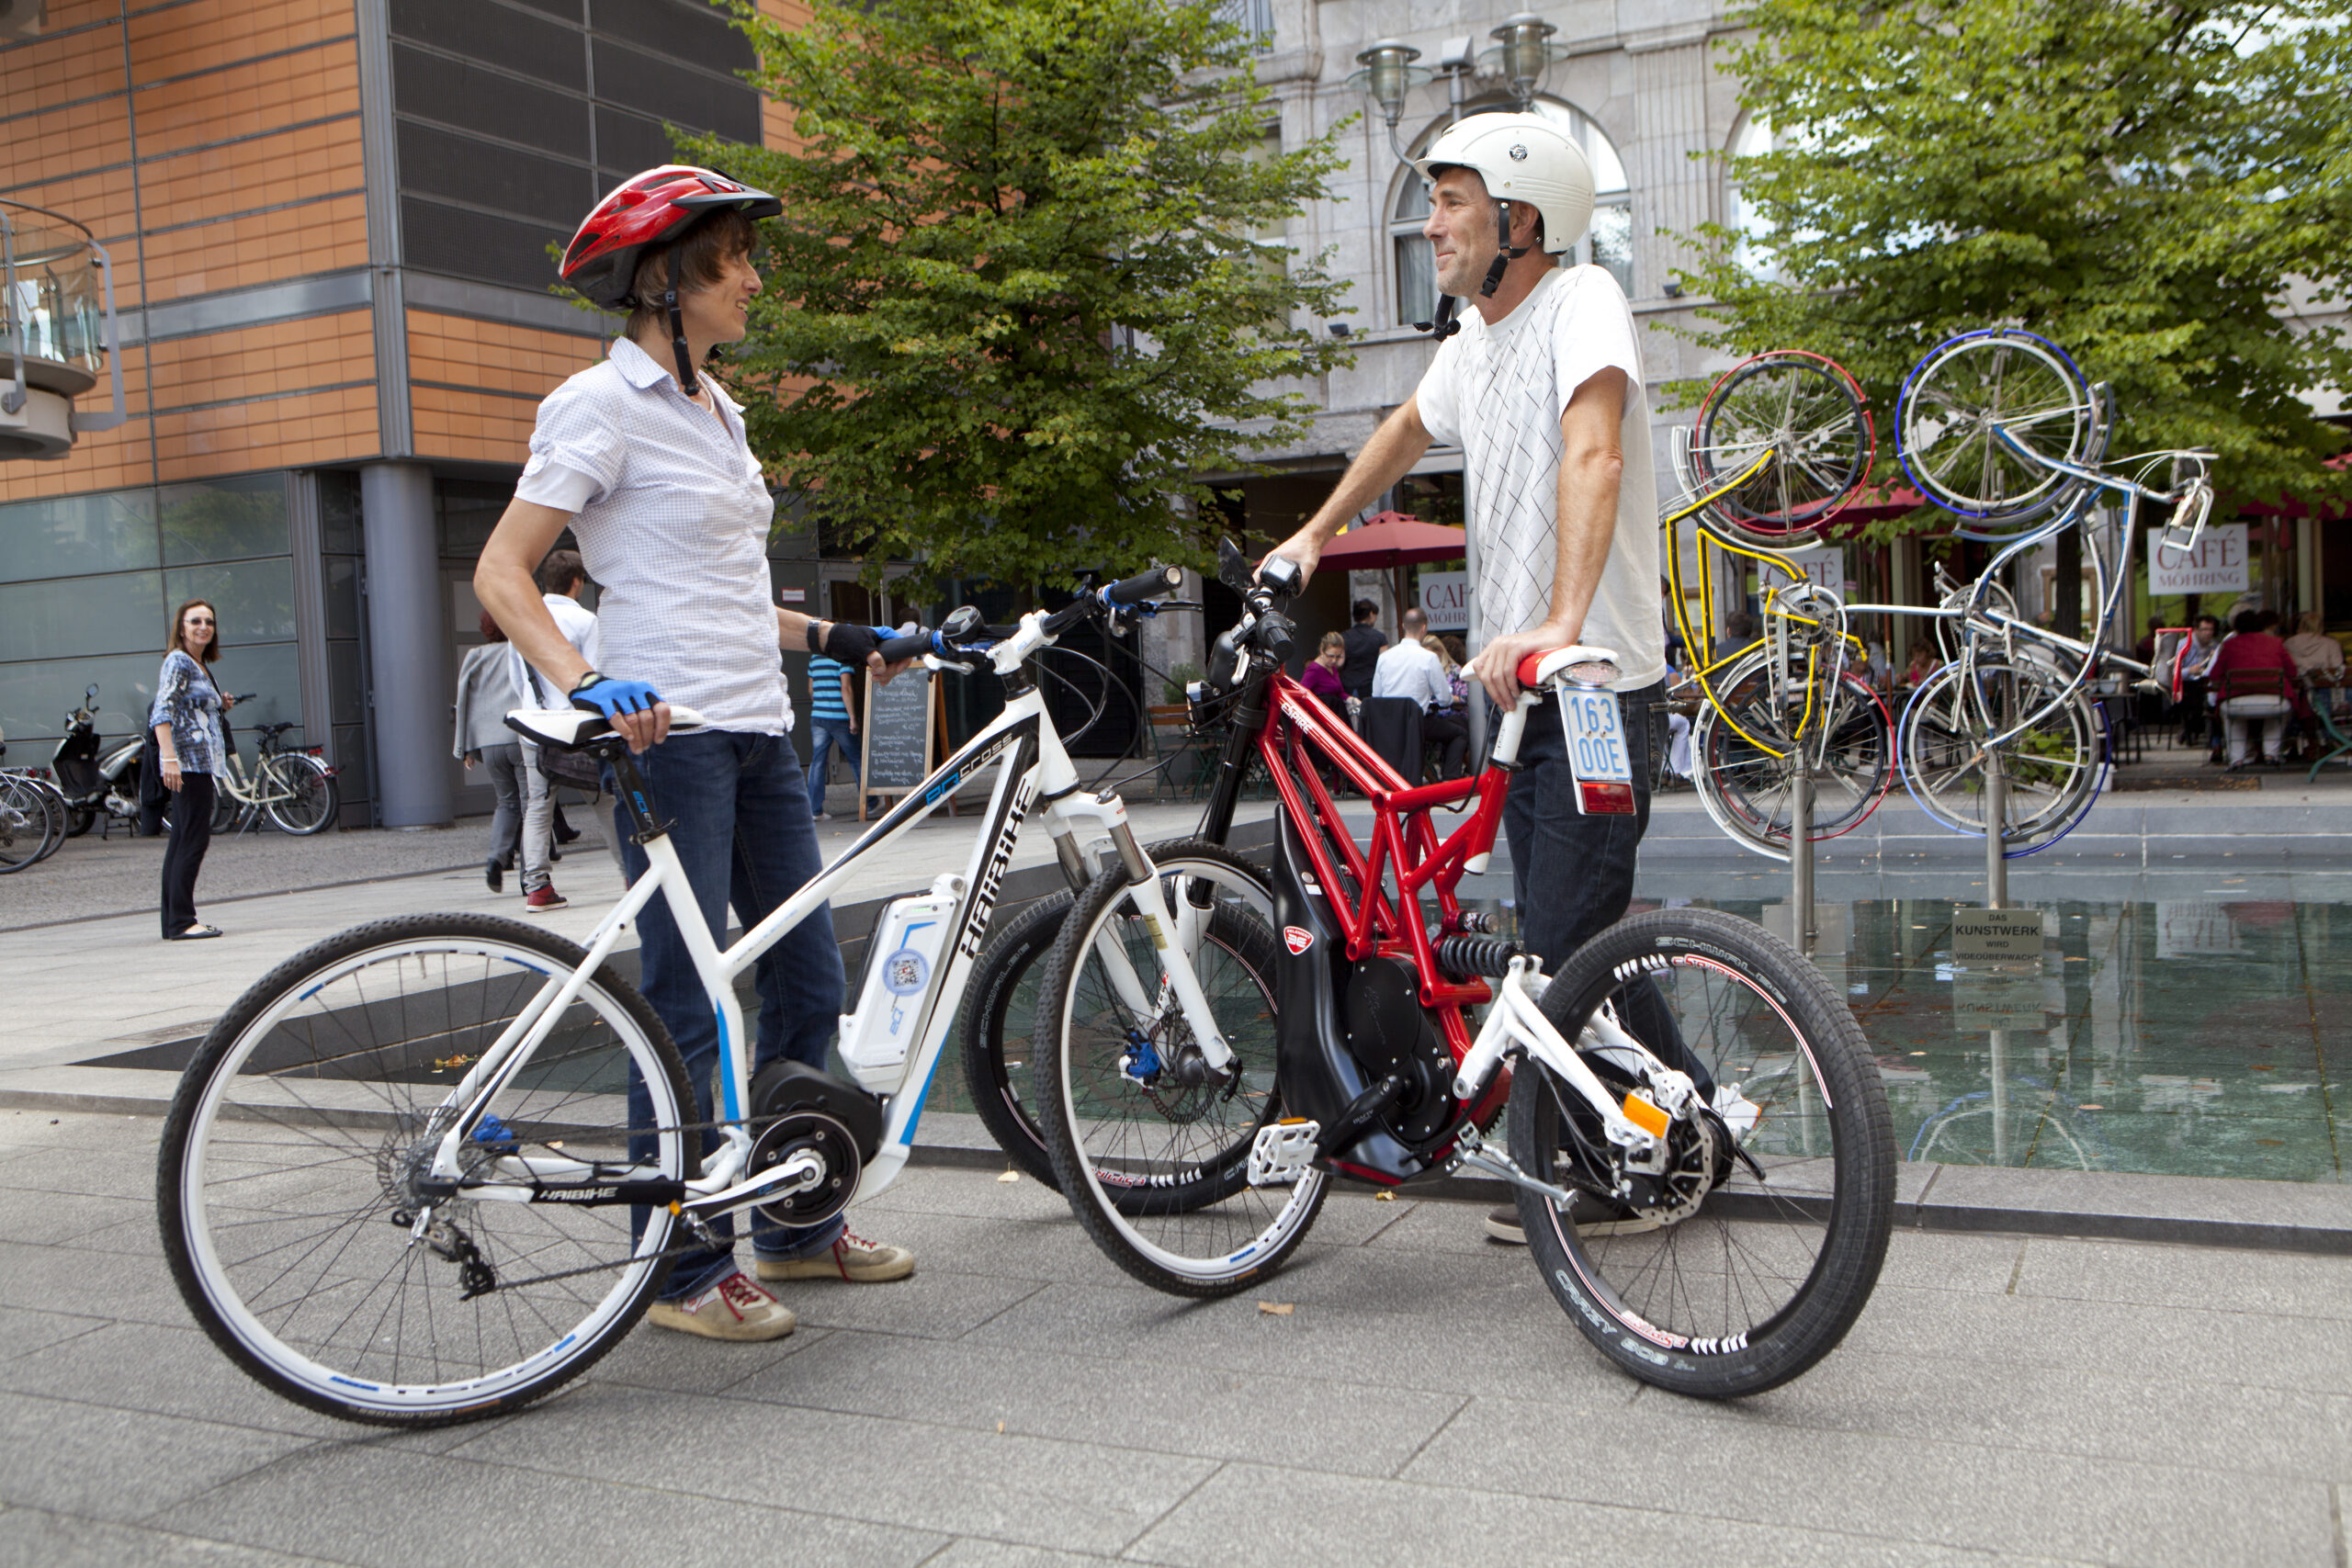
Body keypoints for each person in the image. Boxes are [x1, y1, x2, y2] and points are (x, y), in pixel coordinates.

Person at [1259, 111, 1732, 1246]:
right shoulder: (1474, 342)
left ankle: (1633, 1167)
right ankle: (1688, 1124)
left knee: (1568, 942)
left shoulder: (1583, 303)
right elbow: (1404, 429)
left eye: (1452, 202)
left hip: (1593, 690)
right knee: (1566, 935)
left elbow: (1596, 451)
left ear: (1521, 219)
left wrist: (1560, 623)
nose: (1432, 223)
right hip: (1510, 701)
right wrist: (1317, 533)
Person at [477, 164, 916, 1345]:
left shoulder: (721, 410)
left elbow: (719, 589)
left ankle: (797, 1221)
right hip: (667, 740)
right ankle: (677, 1267)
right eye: (736, 265)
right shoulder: (597, 405)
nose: (755, 282)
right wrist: (585, 682)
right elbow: (502, 573)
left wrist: (832, 633)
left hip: (762, 729)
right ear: (669, 283)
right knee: (686, 1001)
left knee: (810, 981)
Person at [508, 549, 601, 912]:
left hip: (534, 727)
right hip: (577, 728)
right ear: (577, 582)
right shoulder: (586, 622)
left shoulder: (523, 621)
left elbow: (519, 681)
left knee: (538, 807)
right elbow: (592, 676)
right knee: (604, 797)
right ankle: (634, 874)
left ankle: (537, 887)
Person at [151, 598, 232, 941]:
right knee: (193, 841)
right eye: (195, 621)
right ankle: (183, 921)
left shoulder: (197, 664)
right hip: (189, 765)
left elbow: (189, 708)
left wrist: (219, 703)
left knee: (182, 840)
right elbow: (162, 711)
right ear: (181, 627)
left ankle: (173, 921)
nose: (203, 627)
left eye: (209, 622)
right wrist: (170, 758)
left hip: (197, 764)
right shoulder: (179, 662)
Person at [453, 610, 528, 892]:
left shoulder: (475, 656)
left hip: (489, 741)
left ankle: (496, 859)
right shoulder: (520, 651)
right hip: (521, 736)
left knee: (506, 803)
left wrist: (465, 748)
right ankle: (531, 876)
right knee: (531, 806)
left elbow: (464, 701)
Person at [1372, 607, 1468, 776]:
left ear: (1403, 626)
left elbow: (1376, 697)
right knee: (1459, 733)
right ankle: (1450, 779)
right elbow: (1445, 699)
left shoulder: (1384, 657)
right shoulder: (1428, 658)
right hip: (1417, 724)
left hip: (1389, 727)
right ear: (1424, 628)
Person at [2205, 608, 2303, 768]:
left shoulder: (2229, 645)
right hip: (2274, 699)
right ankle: (2271, 753)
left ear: (2236, 628)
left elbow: (2215, 674)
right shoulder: (2276, 643)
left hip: (2236, 700)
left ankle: (2237, 758)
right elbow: (2292, 672)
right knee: (2278, 714)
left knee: (2232, 717)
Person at [805, 648, 859, 821]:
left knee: (818, 762)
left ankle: (815, 810)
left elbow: (811, 690)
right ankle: (871, 801)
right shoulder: (843, 657)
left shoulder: (815, 658)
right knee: (855, 758)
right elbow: (846, 688)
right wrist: (852, 717)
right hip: (839, 716)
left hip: (818, 716)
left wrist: (821, 704)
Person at [2285, 609, 2344, 746]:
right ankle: (2328, 741)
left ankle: (2299, 740)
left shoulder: (2288, 643)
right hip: (2325, 696)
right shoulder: (2330, 644)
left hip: (2296, 696)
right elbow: (2337, 668)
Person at [2175, 613, 2222, 751]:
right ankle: (2194, 731)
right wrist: (2189, 671)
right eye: (2204, 629)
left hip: (2207, 684)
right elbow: (2172, 672)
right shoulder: (2183, 646)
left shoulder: (2214, 645)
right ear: (2196, 630)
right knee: (2198, 700)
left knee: (2214, 700)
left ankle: (2213, 738)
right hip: (2188, 686)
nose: (2208, 633)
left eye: (2211, 630)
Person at [1340, 598, 1387, 705]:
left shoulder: (1344, 637)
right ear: (1371, 614)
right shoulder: (1380, 638)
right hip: (1370, 685)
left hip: (1348, 685)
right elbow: (1383, 664)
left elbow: (1339, 662)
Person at [1300, 630, 1351, 717]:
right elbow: (1301, 693)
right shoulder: (1314, 670)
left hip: (1334, 714)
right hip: (1321, 716)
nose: (1334, 660)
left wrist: (1351, 699)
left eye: (1338, 656)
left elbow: (1340, 692)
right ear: (1322, 651)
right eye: (1330, 656)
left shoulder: (1332, 667)